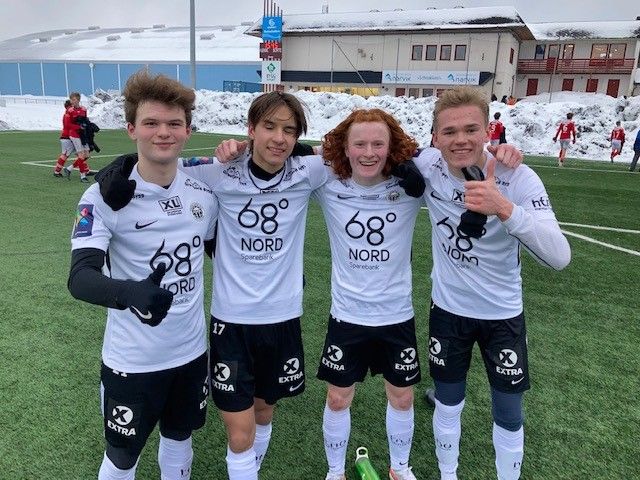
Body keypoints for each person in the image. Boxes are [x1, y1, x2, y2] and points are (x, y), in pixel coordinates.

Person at [67, 70, 217, 480]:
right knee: (122, 457)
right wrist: (131, 292)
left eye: (174, 124)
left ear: (187, 131)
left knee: (180, 439)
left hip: (191, 353)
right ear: (131, 129)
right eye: (151, 123)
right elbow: (80, 278)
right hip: (132, 361)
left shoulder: (203, 192)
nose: (163, 133)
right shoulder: (104, 196)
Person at [416, 86, 571, 480]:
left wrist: (502, 206)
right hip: (448, 311)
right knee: (448, 403)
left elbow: (559, 256)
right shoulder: (428, 165)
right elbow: (369, 149)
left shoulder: (517, 177)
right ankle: (448, 475)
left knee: (509, 413)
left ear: (488, 132)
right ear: (435, 138)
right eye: (449, 132)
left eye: (471, 129)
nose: (460, 140)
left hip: (502, 315)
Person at [62, 92, 92, 182]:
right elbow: (67, 125)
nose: (72, 101)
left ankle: (69, 168)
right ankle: (83, 177)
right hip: (74, 134)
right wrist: (79, 127)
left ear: (78, 100)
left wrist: (88, 126)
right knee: (81, 155)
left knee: (86, 155)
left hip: (82, 135)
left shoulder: (84, 109)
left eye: (74, 99)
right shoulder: (70, 111)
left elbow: (85, 120)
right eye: (71, 99)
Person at [53, 99, 76, 177]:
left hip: (68, 137)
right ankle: (57, 172)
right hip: (67, 137)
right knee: (65, 155)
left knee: (81, 154)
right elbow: (69, 126)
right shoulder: (69, 114)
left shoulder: (68, 113)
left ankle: (86, 170)